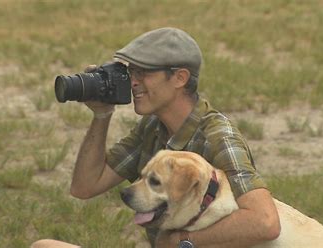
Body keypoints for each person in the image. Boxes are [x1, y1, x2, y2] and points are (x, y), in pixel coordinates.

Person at [34, 27, 280, 248]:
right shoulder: (152, 127)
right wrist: (102, 114)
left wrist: (183, 243)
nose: (133, 82)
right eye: (131, 73)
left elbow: (266, 221)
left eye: (143, 73)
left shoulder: (218, 137)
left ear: (179, 78)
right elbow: (84, 187)